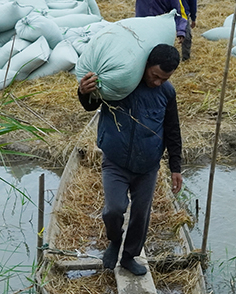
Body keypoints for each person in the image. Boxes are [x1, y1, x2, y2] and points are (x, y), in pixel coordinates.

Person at [77, 44, 183, 276]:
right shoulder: (122, 83)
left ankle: (128, 256)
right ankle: (115, 240)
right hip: (116, 160)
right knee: (113, 210)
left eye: (164, 79)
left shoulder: (167, 93)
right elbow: (92, 104)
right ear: (145, 65)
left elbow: (172, 129)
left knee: (140, 215)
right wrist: (84, 92)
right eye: (155, 75)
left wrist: (176, 167)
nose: (157, 82)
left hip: (148, 165)